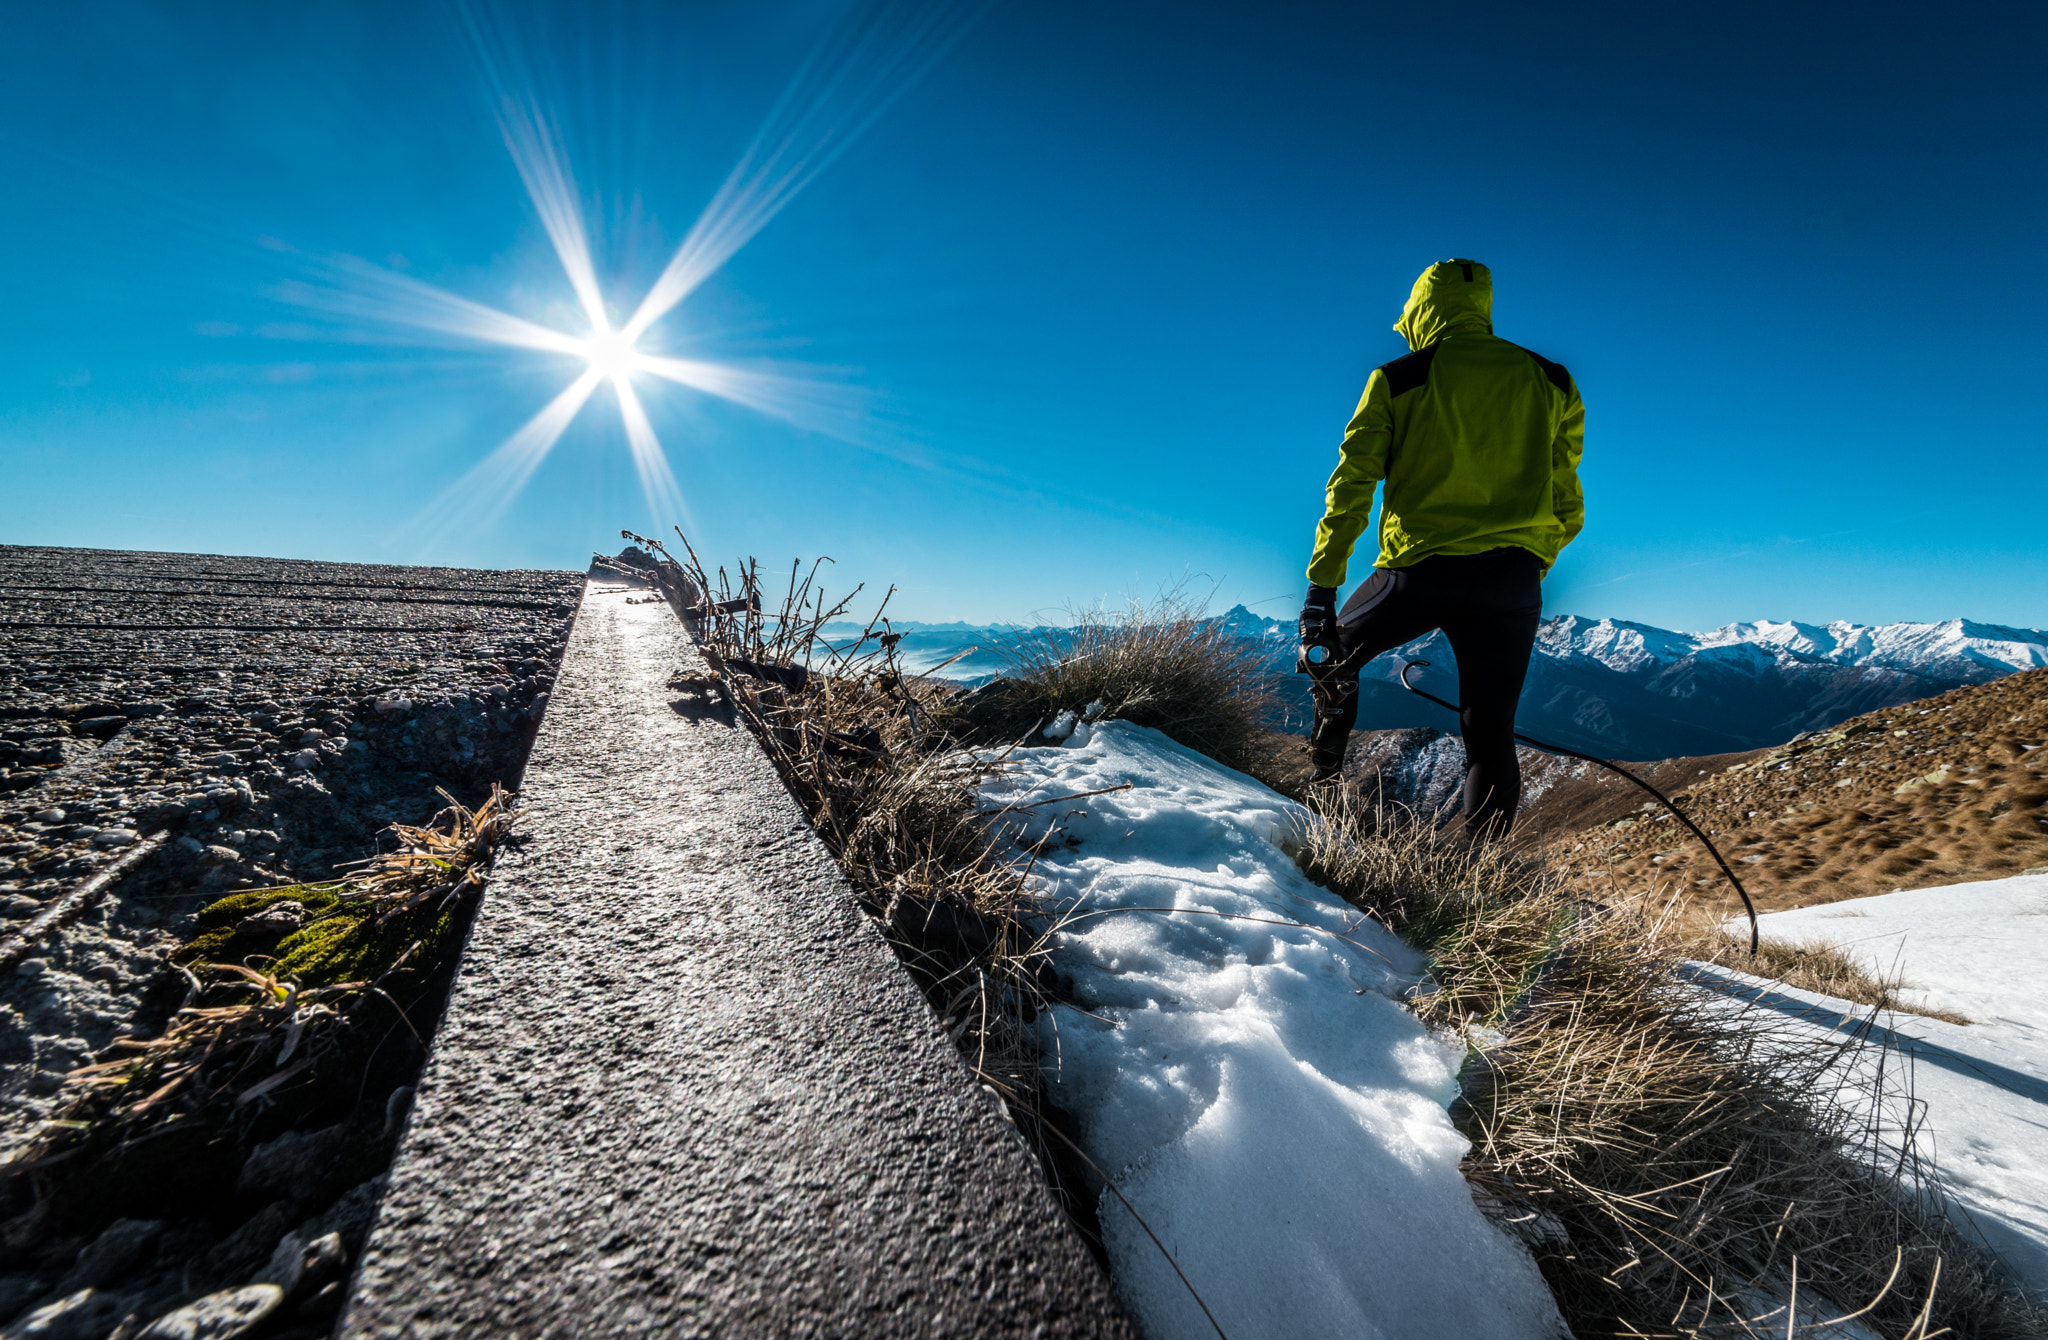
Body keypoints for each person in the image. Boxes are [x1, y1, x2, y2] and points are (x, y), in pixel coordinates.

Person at [1298, 258, 1584, 838]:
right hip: (1510, 580)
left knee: (1328, 661)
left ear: (1421, 309)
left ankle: (1319, 804)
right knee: (1491, 734)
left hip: (1418, 572)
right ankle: (1477, 883)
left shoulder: (1400, 377)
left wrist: (1321, 588)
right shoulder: (1552, 381)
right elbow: (1566, 497)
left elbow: (1350, 486)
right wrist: (1532, 563)